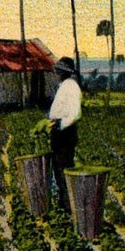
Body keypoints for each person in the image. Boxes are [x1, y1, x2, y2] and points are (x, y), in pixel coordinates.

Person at [47, 57, 82, 211]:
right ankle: (65, 204)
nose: (56, 72)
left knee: (64, 170)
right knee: (59, 171)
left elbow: (75, 114)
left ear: (65, 72)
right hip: (60, 133)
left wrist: (59, 125)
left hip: (65, 134)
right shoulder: (64, 86)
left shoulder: (71, 86)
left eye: (59, 70)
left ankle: (69, 207)